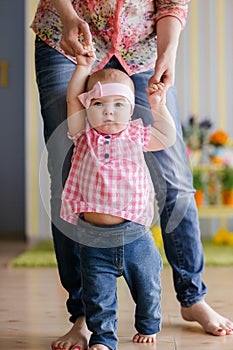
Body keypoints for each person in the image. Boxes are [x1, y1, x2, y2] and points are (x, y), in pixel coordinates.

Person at [31, 1, 233, 349]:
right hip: (69, 39)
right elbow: (73, 116)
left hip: (140, 49)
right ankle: (82, 315)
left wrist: (166, 57)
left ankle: (191, 296)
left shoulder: (140, 129)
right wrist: (68, 18)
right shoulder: (83, 121)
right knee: (63, 172)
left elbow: (172, 3)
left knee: (175, 178)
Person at [60, 46, 176, 349]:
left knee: (148, 286)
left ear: (130, 108)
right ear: (87, 108)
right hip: (93, 238)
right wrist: (82, 68)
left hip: (134, 234)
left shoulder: (135, 135)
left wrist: (157, 104)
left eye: (118, 104)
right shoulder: (83, 135)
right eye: (98, 103)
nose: (108, 111)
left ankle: (149, 323)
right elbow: (72, 98)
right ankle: (103, 339)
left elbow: (166, 137)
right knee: (98, 295)